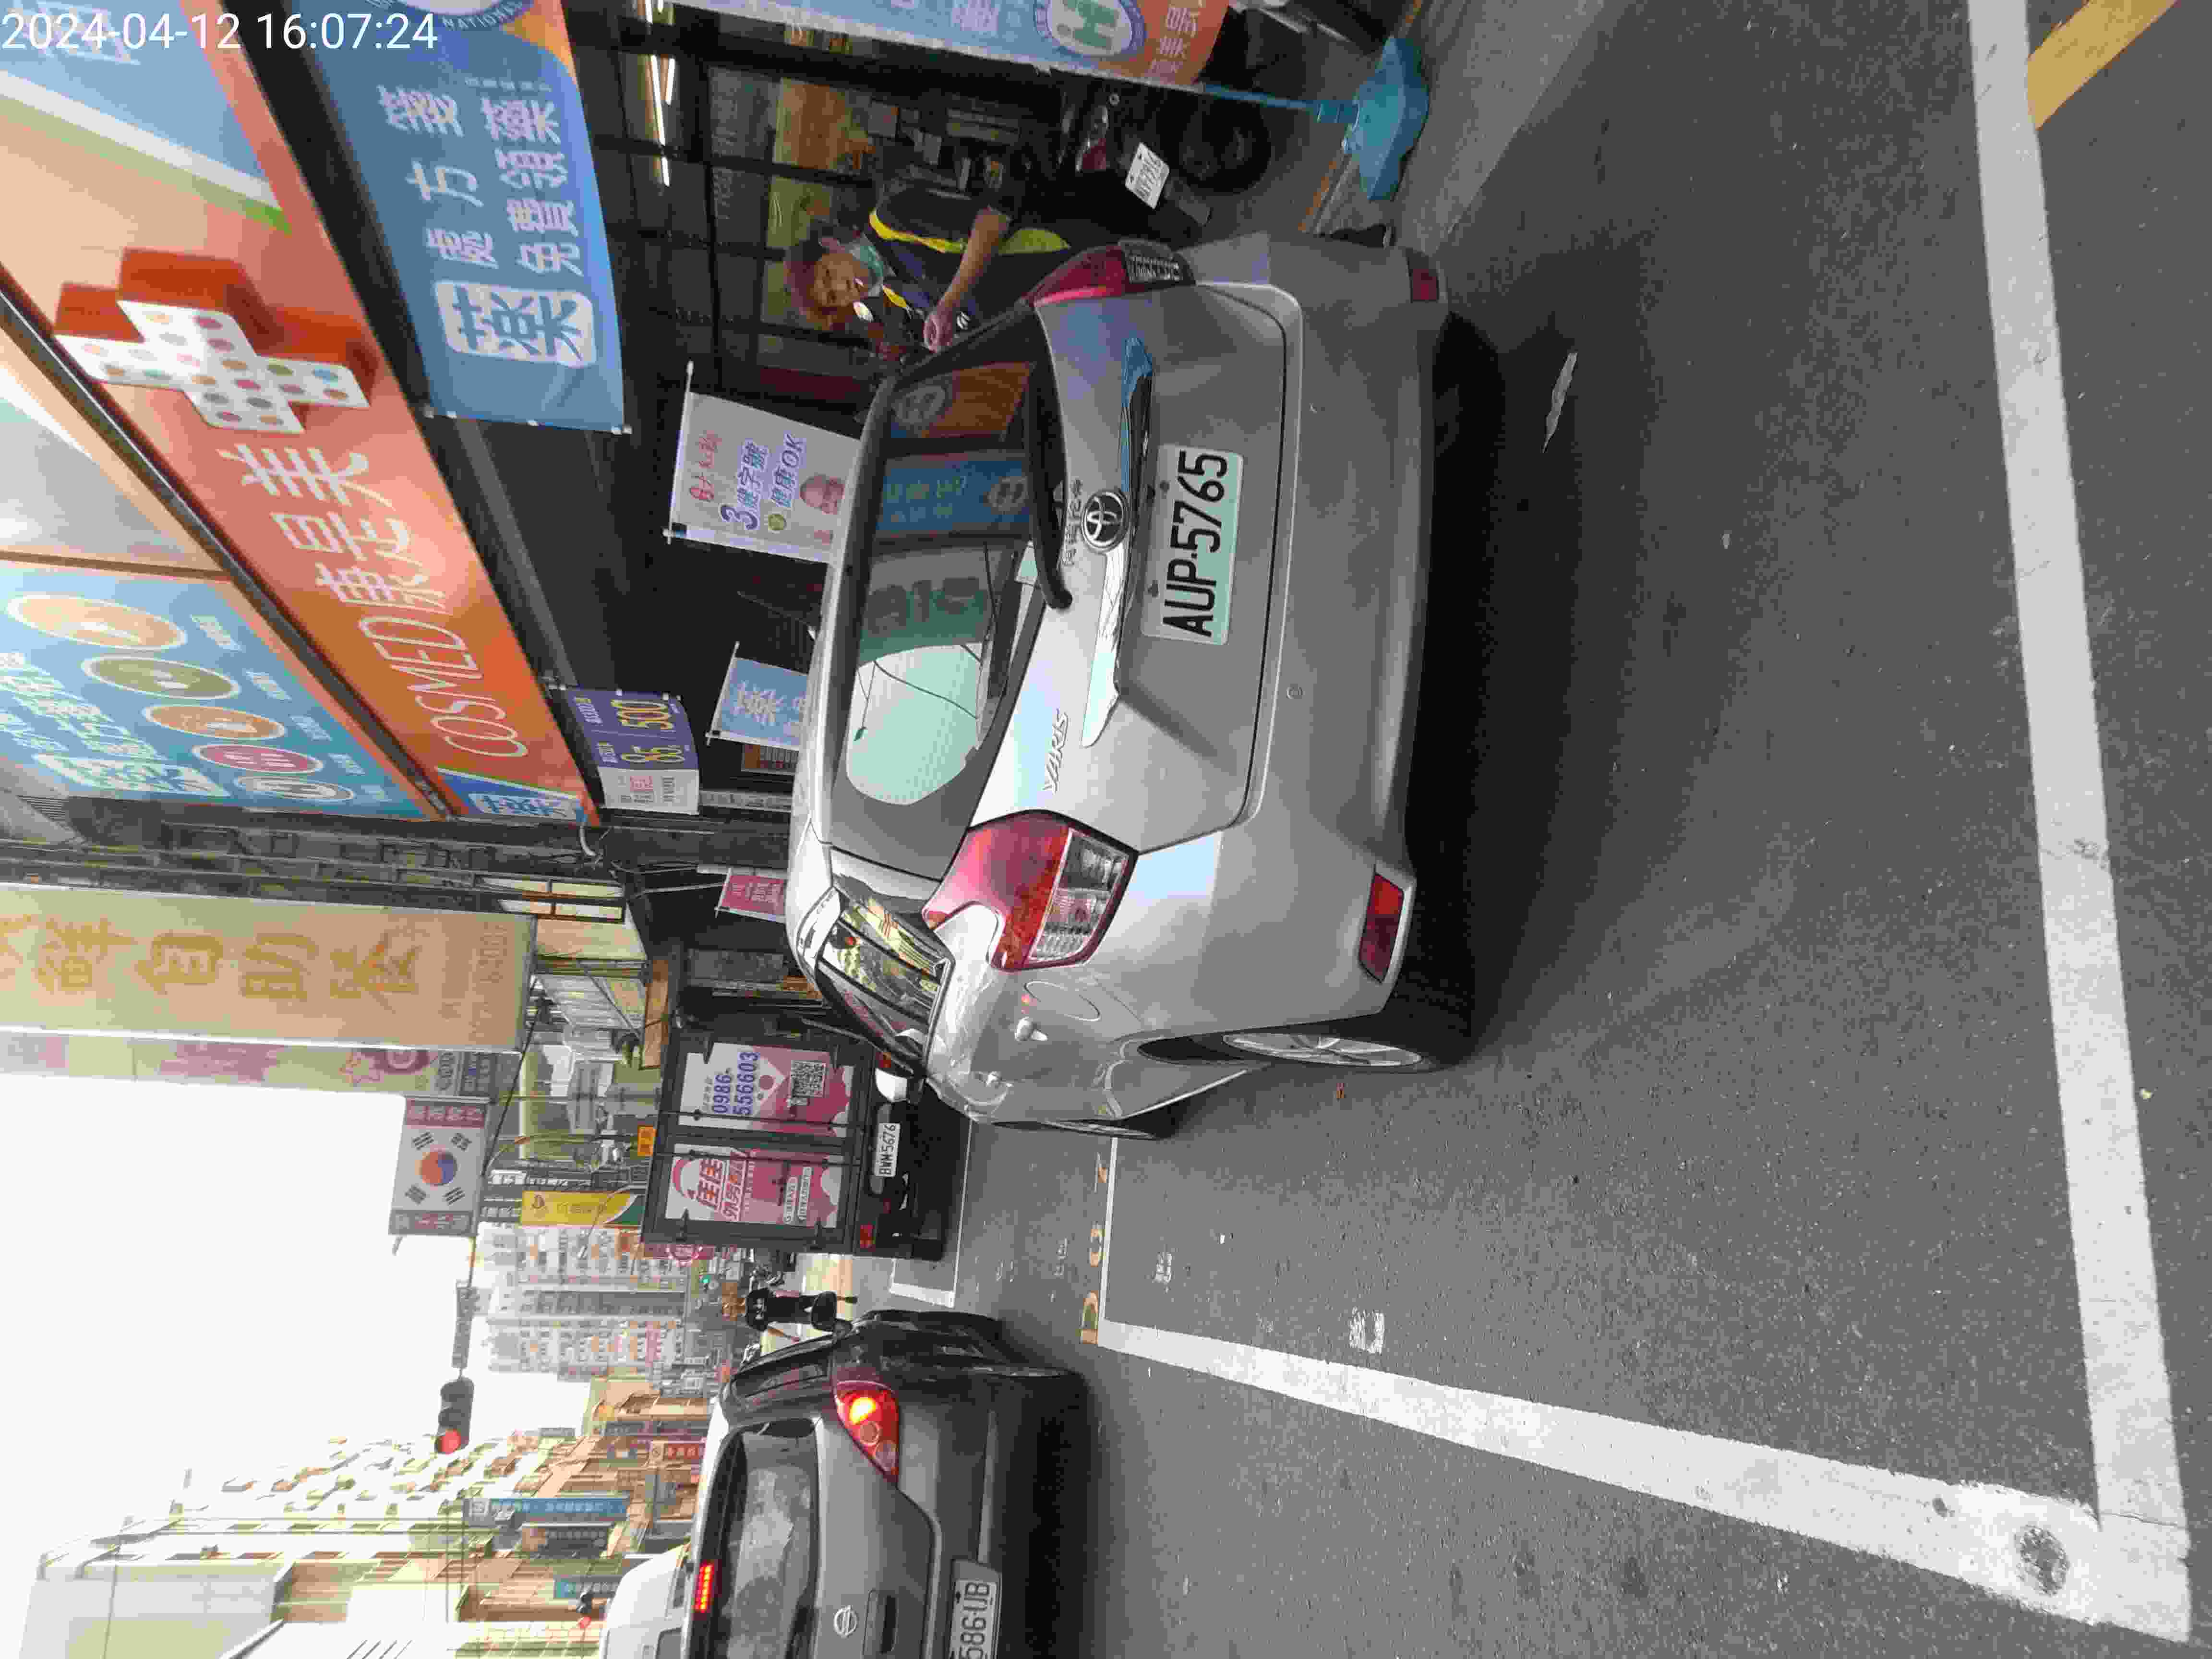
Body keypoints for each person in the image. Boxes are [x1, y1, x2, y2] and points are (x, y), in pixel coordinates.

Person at [783, 168, 1139, 352]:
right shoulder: (896, 296)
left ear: (832, 246)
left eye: (829, 275)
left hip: (1072, 254)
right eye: (834, 297)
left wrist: (949, 303)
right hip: (1069, 312)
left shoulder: (891, 220)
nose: (843, 286)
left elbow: (991, 221)